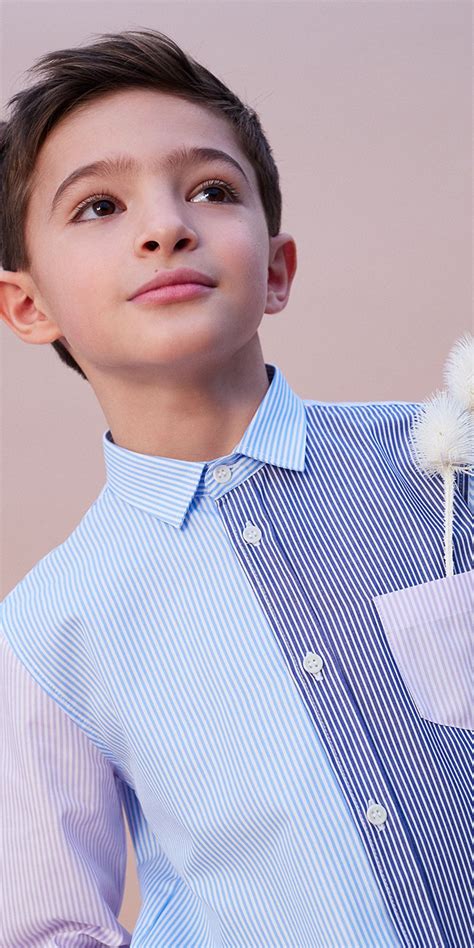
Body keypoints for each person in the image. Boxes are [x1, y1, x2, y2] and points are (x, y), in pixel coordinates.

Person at [0, 27, 471, 948]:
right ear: (29, 306)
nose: (165, 225)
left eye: (212, 190)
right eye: (98, 205)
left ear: (277, 270)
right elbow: (45, 926)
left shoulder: (443, 461)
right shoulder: (49, 630)